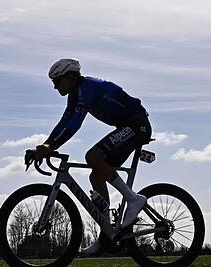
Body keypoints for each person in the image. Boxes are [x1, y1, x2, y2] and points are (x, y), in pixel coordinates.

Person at [31, 58, 150, 255]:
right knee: (96, 175)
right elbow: (64, 121)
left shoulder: (86, 89)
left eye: (57, 81)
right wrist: (46, 145)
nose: (55, 86)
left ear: (71, 77)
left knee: (93, 156)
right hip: (128, 126)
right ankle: (107, 235)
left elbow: (74, 124)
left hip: (137, 125)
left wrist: (50, 147)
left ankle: (133, 199)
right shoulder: (76, 93)